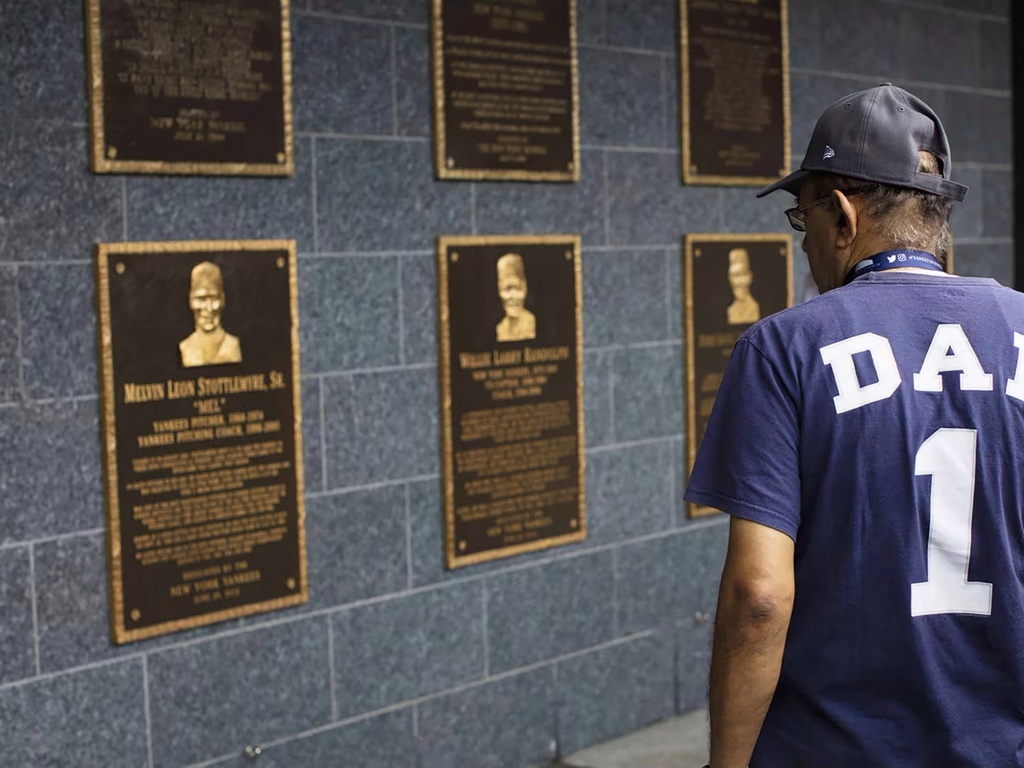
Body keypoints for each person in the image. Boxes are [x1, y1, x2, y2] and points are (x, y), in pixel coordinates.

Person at [687, 83, 1024, 768]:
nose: (804, 241)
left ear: (842, 216)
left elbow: (759, 597)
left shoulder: (783, 348)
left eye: (802, 216)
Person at [179, 261, 242, 367]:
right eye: (201, 299)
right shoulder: (185, 348)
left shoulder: (233, 345)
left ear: (222, 300)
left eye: (214, 298)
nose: (209, 308)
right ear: (191, 301)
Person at [495, 252, 536, 342]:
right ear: (499, 290)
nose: (513, 296)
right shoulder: (500, 328)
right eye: (507, 289)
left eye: (518, 288)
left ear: (525, 288)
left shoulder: (532, 322)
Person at [725, 248, 761, 325]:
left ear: (749, 276)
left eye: (742, 275)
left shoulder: (754, 307)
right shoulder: (731, 310)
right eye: (734, 276)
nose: (738, 282)